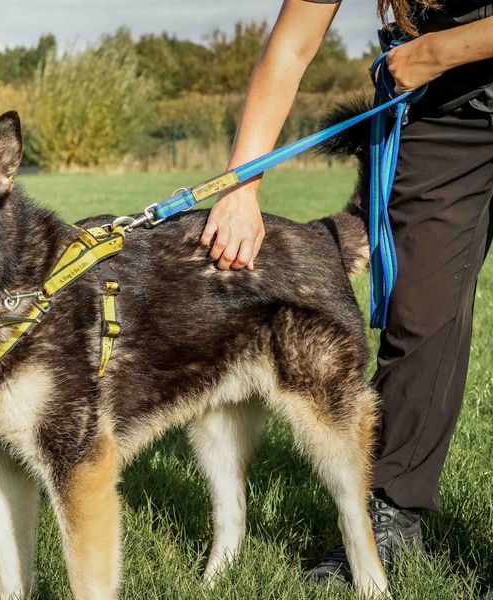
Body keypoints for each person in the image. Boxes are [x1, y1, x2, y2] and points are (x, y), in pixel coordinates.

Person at [200, 0, 493, 581]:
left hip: (432, 64)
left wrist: (437, 50)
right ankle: (391, 515)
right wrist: (240, 186)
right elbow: (290, 47)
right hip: (441, 114)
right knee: (419, 314)